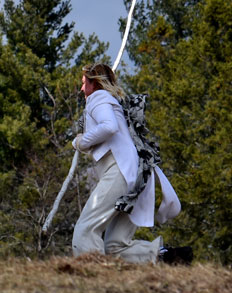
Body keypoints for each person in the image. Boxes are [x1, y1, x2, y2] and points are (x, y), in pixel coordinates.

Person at [72, 63, 189, 265]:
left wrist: (81, 141)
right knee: (115, 246)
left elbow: (108, 126)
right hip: (136, 177)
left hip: (120, 174)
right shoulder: (113, 103)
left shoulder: (98, 98)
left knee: (86, 229)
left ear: (95, 83)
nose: (82, 89)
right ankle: (164, 257)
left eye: (84, 83)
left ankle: (92, 274)